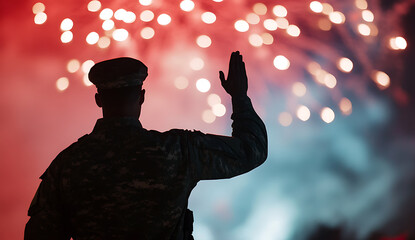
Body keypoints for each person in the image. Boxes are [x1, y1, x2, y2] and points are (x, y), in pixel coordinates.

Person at [24, 51, 268, 240]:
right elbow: (252, 149)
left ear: (98, 99)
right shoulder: (178, 150)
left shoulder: (67, 165)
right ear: (141, 97)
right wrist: (239, 97)